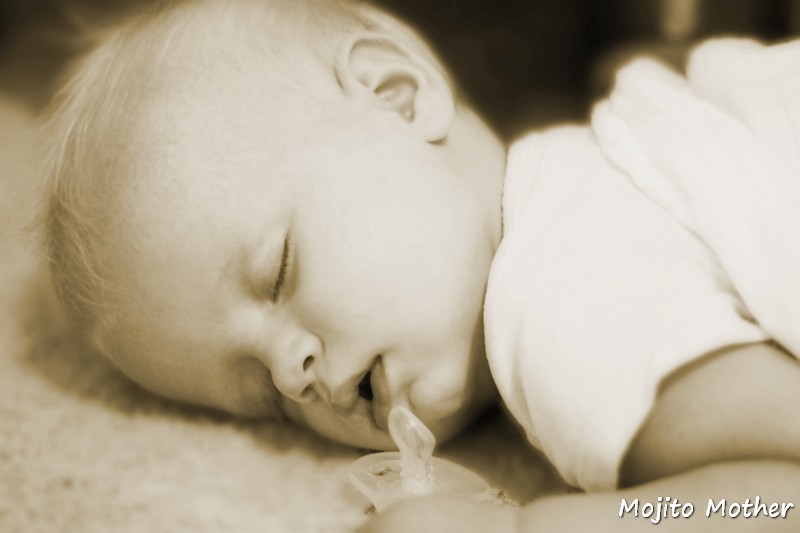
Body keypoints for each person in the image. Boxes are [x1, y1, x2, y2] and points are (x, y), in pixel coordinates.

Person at [42, 0, 800, 530]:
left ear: (397, 97)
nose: (292, 372)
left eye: (278, 273)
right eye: (264, 394)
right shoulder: (622, 149)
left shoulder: (552, 305)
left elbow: (772, 502)